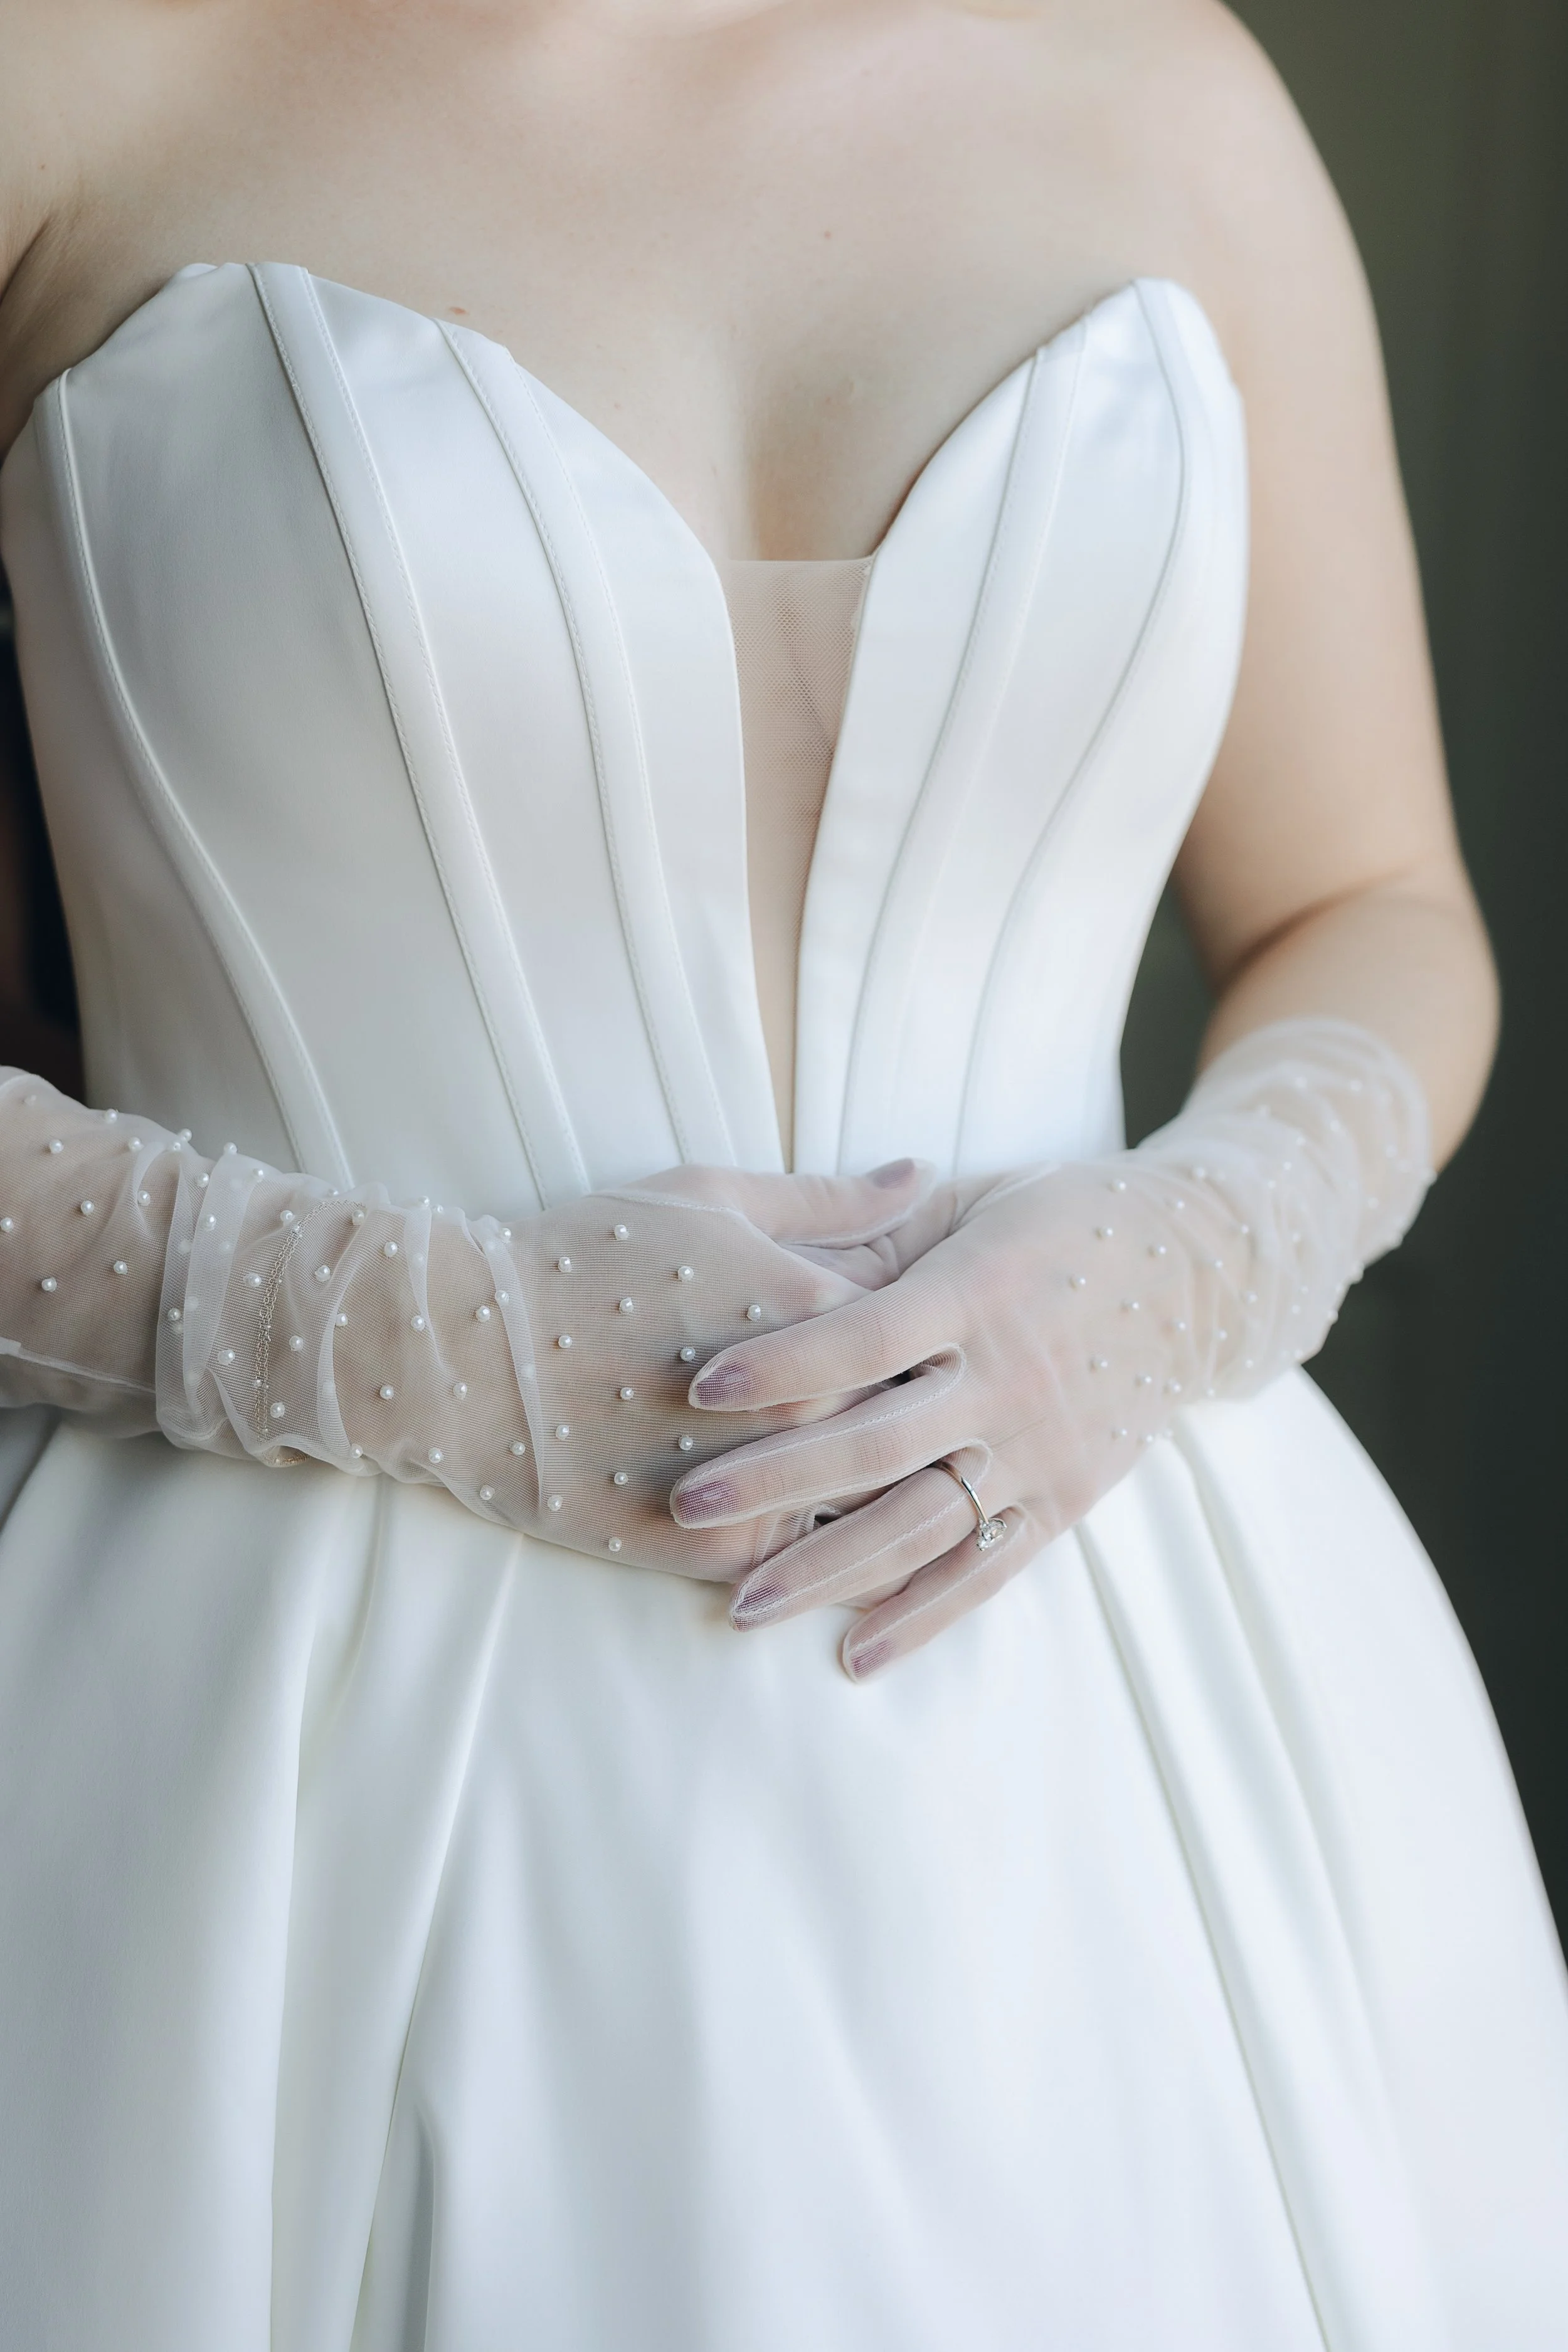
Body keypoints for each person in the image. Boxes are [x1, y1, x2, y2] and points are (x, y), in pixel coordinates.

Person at [0, 0, 1564, 2343]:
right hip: (249, 1744)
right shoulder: (70, 71)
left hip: (1123, 1713)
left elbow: (1371, 904)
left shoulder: (1167, 100)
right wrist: (400, 1336)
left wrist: (1185, 1257)